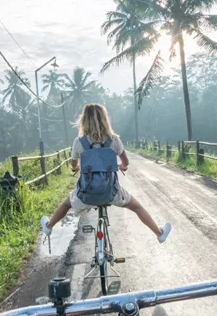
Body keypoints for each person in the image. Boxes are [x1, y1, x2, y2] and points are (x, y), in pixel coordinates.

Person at [41, 103, 172, 243]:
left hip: (86, 195)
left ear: (84, 120)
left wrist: (76, 168)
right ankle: (159, 233)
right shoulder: (114, 139)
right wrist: (122, 166)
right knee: (137, 207)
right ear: (104, 119)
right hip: (112, 192)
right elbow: (126, 162)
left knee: (66, 204)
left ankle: (49, 227)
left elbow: (73, 164)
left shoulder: (79, 142)